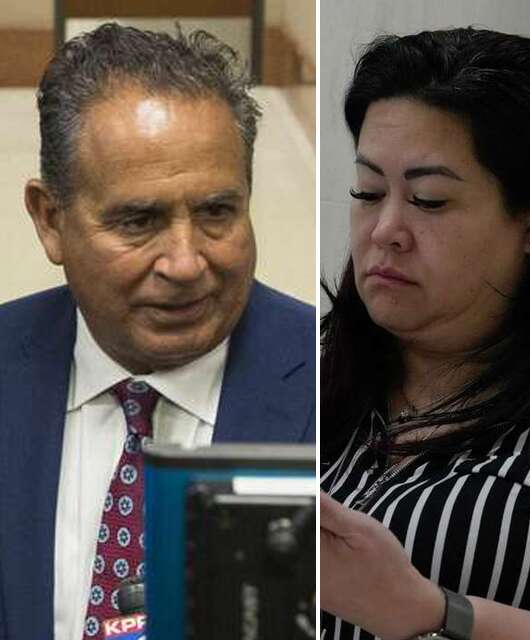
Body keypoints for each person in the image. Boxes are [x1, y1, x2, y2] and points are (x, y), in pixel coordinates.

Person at [318, 27, 530, 640]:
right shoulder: (307, 374)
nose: (385, 230)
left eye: (429, 200)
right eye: (368, 192)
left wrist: (435, 612)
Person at [0, 24, 315, 640]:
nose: (186, 263)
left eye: (217, 212)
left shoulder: (332, 382)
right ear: (50, 220)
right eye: (139, 220)